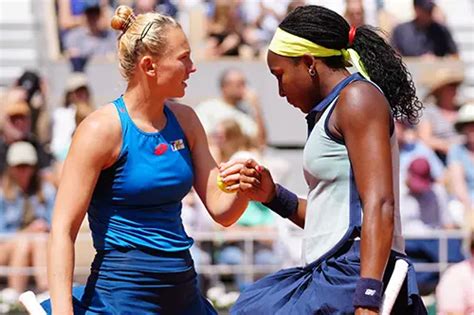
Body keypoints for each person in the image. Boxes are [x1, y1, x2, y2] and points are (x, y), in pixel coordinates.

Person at [42, 5, 251, 314]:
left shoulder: (187, 120)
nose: (193, 68)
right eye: (183, 58)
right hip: (121, 300)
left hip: (184, 295)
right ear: (150, 66)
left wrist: (245, 186)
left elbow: (222, 211)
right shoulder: (100, 129)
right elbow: (62, 230)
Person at [219, 5, 427, 314]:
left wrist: (368, 298)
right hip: (334, 270)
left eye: (280, 76)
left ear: (308, 64)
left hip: (352, 273)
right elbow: (333, 222)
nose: (279, 91)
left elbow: (380, 203)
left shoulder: (358, 99)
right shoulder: (333, 109)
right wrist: (273, 196)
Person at [0, 141, 55, 295]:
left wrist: (40, 229)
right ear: (10, 168)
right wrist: (28, 231)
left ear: (34, 167)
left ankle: (44, 291)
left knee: (37, 240)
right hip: (5, 248)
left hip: (38, 246)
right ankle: (16, 294)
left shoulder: (46, 190)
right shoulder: (2, 194)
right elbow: (1, 234)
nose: (23, 171)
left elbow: (56, 223)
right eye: (19, 166)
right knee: (27, 241)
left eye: (27, 166)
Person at [390, 0, 458, 58]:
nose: (429, 13)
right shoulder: (401, 30)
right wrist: (419, 61)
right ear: (416, 9)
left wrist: (437, 60)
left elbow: (455, 56)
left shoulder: (442, 30)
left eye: (430, 10)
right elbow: (394, 56)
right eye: (426, 10)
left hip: (437, 72)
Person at [448, 102, 474, 225]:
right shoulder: (456, 150)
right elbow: (459, 186)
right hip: (465, 204)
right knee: (456, 210)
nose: (472, 129)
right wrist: (469, 209)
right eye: (468, 125)